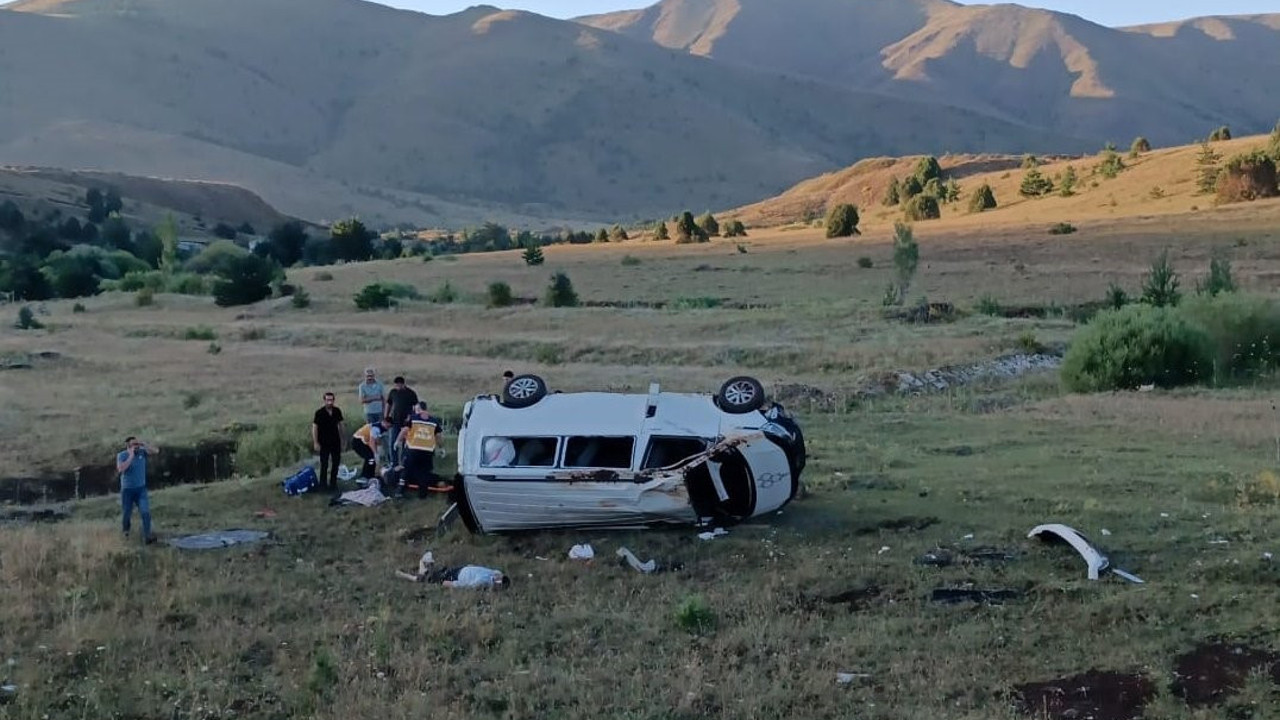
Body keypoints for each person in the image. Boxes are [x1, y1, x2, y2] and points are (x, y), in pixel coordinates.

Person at [395, 401, 449, 497]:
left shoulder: (413, 418)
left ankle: (400, 491)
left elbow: (404, 430)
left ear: (419, 409)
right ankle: (423, 495)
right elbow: (438, 436)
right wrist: (441, 448)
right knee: (424, 472)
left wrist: (397, 441)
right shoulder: (434, 421)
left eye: (416, 410)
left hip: (413, 448)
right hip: (428, 450)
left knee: (406, 469)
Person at [116, 436, 158, 545]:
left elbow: (156, 451)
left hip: (141, 489)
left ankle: (147, 536)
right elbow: (121, 469)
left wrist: (144, 443)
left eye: (137, 444)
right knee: (127, 513)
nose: (136, 446)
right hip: (127, 490)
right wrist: (130, 456)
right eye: (134, 444)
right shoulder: (122, 455)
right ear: (128, 446)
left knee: (145, 512)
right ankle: (126, 533)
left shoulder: (142, 452)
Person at [311, 392, 345, 491]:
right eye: (328, 400)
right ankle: (323, 485)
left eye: (331, 400)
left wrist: (343, 439)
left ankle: (333, 484)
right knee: (324, 464)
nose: (329, 402)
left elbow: (341, 425)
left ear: (334, 400)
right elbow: (315, 428)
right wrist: (315, 442)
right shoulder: (319, 413)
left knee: (336, 463)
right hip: (324, 442)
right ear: (324, 400)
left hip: (335, 441)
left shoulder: (337, 411)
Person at [384, 376, 418, 466]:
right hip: (395, 421)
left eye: (398, 385)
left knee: (405, 443)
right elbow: (388, 404)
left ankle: (404, 462)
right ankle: (393, 462)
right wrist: (386, 416)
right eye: (395, 385)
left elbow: (416, 407)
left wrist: (411, 417)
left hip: (406, 422)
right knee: (392, 442)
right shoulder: (393, 392)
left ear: (402, 384)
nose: (397, 387)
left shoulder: (411, 393)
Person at [350, 418, 390, 483]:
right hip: (357, 442)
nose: (388, 429)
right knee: (370, 458)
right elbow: (372, 442)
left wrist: (376, 452)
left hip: (362, 442)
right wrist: (376, 453)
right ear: (384, 422)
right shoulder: (376, 428)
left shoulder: (379, 426)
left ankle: (370, 475)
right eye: (388, 426)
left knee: (371, 458)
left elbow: (376, 441)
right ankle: (364, 476)